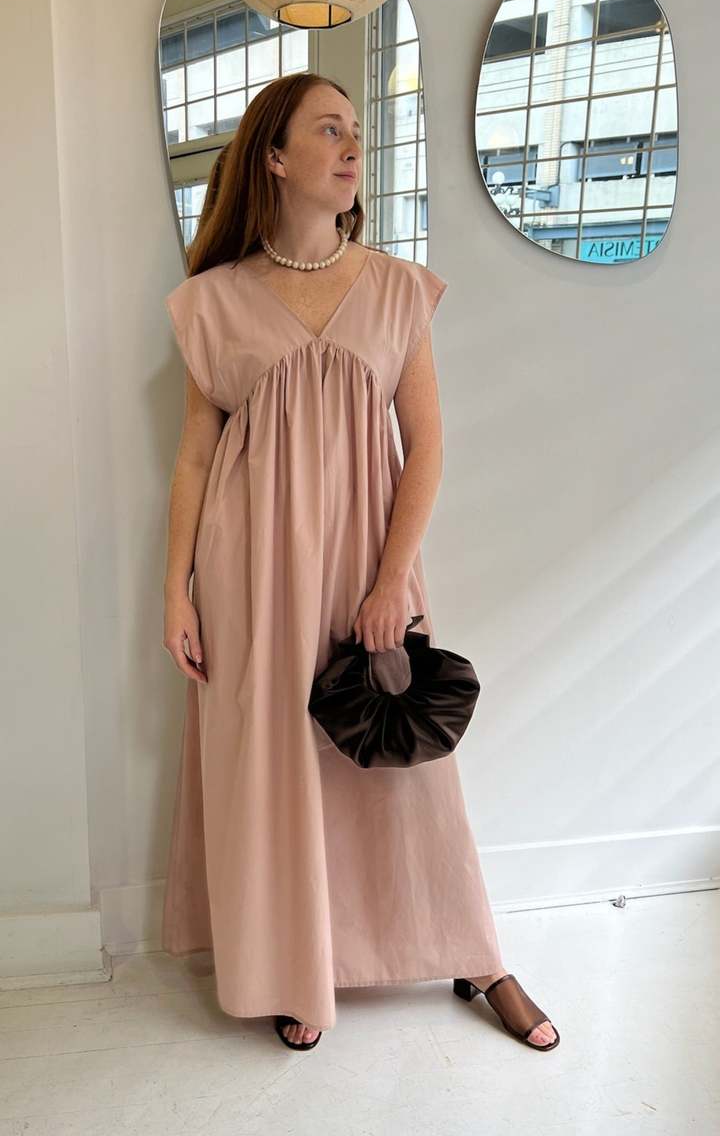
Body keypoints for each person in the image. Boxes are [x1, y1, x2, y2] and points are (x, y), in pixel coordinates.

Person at [161, 71, 559, 1053]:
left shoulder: (393, 289)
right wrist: (176, 590)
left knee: (399, 761)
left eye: (355, 131)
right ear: (274, 157)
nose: (351, 146)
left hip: (364, 565)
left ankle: (477, 955)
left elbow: (426, 446)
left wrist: (391, 581)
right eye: (327, 130)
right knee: (279, 765)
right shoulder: (211, 303)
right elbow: (196, 458)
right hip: (253, 576)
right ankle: (301, 965)